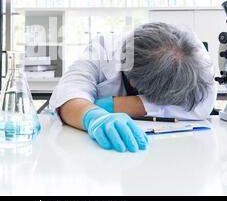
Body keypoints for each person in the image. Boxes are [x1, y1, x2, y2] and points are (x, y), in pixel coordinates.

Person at [49, 22, 217, 153]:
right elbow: (67, 94)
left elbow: (202, 105)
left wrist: (114, 105)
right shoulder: (102, 49)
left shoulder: (193, 57)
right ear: (135, 83)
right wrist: (93, 117)